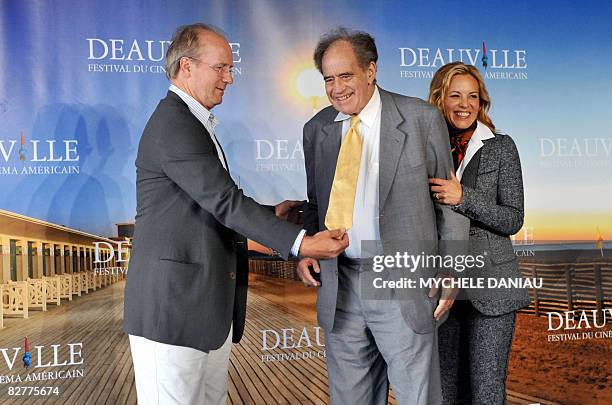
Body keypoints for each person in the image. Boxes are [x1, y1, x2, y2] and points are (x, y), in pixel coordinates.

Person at [123, 23, 348, 405]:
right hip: (174, 314)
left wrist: (270, 213)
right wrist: (302, 243)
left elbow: (209, 204)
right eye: (221, 68)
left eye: (231, 68)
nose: (229, 78)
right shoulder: (175, 124)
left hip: (204, 313)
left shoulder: (193, 121)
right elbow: (224, 202)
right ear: (187, 67)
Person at [296, 28, 468, 405]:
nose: (336, 88)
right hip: (341, 283)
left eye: (346, 76)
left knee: (416, 397)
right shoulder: (317, 130)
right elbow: (315, 204)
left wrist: (451, 265)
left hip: (403, 278)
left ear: (371, 71)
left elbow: (448, 201)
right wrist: (308, 248)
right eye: (328, 78)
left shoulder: (420, 119)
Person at [428, 61, 531, 404]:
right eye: (455, 95)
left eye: (473, 96)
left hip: (492, 286)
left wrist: (463, 198)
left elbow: (513, 218)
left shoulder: (501, 147)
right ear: (439, 99)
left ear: (481, 102)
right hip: (440, 286)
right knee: (446, 393)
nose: (464, 104)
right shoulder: (425, 149)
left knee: (486, 391)